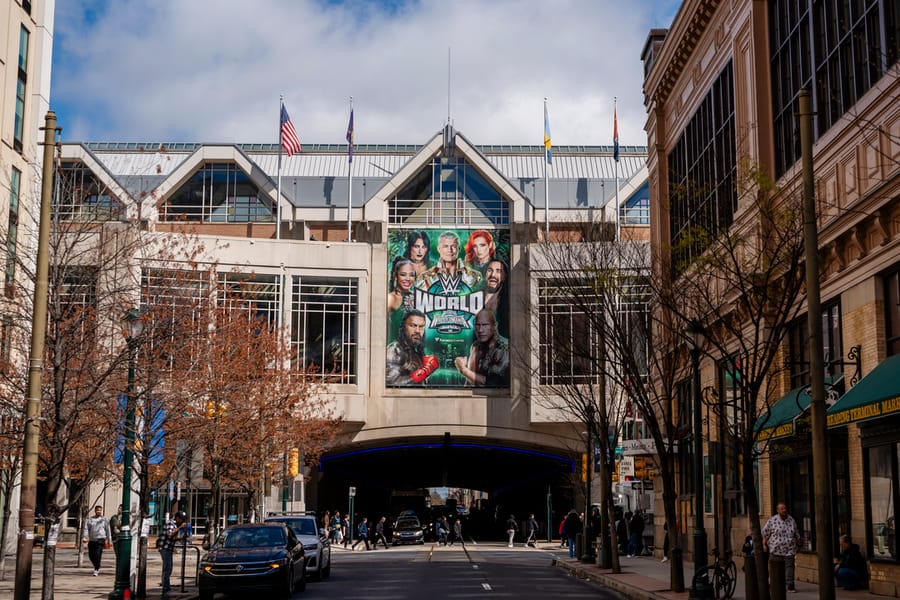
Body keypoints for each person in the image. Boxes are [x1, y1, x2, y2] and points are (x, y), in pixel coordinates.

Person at [454, 309, 509, 387]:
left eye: (485, 325)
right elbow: (469, 383)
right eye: (477, 325)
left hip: (494, 398)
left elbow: (492, 384)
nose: (480, 330)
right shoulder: (476, 346)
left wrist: (463, 370)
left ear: (495, 326)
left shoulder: (504, 348)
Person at [385, 310, 438, 386]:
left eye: (421, 326)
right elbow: (392, 382)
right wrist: (425, 372)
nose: (417, 331)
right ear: (403, 327)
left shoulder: (415, 351)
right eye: (413, 325)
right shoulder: (394, 350)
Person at [416, 231, 481, 290]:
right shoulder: (425, 278)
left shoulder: (475, 277)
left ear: (459, 249)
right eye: (445, 246)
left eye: (453, 246)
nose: (450, 250)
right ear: (439, 249)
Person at [762, 502, 801, 593]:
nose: (784, 510)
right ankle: (775, 584)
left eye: (785, 508)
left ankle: (790, 585)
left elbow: (796, 533)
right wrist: (764, 544)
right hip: (776, 549)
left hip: (789, 549)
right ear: (778, 510)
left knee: (790, 567)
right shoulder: (772, 520)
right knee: (775, 568)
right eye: (782, 509)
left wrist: (798, 543)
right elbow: (765, 533)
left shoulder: (791, 520)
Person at [159, 511, 188, 597]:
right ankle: (165, 589)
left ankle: (166, 588)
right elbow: (170, 534)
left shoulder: (175, 525)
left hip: (169, 548)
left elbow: (173, 537)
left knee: (169, 568)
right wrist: (180, 528)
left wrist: (182, 537)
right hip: (165, 548)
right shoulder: (171, 523)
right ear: (177, 518)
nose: (182, 522)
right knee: (167, 569)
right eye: (182, 520)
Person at [82, 505, 113, 576]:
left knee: (98, 554)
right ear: (95, 511)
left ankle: (96, 569)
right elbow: (86, 529)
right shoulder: (90, 519)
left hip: (101, 539)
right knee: (91, 555)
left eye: (100, 510)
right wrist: (85, 537)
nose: (98, 511)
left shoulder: (104, 520)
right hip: (92, 540)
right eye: (97, 510)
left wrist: (109, 540)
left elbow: (108, 530)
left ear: (101, 511)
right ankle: (96, 565)